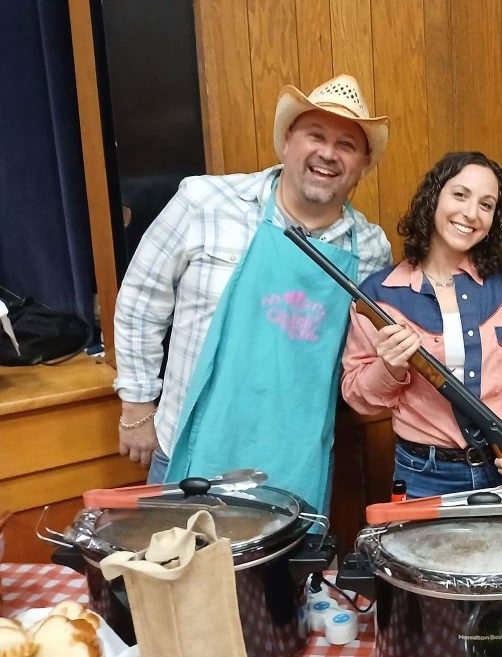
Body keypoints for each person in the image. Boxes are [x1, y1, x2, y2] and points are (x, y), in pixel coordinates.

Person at [113, 74, 392, 512]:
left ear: (363, 164)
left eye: (347, 145)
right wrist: (136, 406)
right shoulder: (206, 202)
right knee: (179, 575)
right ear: (286, 141)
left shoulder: (371, 250)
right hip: (189, 446)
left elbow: (364, 357)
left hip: (293, 462)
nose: (327, 153)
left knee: (284, 582)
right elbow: (140, 301)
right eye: (315, 135)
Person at [341, 151, 502, 498]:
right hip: (426, 476)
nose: (471, 213)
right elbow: (358, 396)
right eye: (460, 195)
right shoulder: (378, 297)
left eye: (486, 205)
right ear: (434, 198)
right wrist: (390, 366)